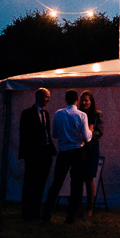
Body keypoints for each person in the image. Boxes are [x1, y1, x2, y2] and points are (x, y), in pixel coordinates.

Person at [43, 89, 92, 224]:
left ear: (65, 99)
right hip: (77, 151)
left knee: (56, 183)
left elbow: (54, 134)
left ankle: (46, 213)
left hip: (63, 152)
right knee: (76, 185)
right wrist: (91, 132)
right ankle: (70, 217)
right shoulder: (82, 115)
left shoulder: (59, 114)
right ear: (77, 99)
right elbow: (86, 137)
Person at [19, 88, 57, 220]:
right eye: (46, 97)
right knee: (30, 182)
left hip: (45, 154)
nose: (48, 99)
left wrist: (51, 149)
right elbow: (24, 135)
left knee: (40, 183)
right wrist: (28, 152)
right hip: (33, 153)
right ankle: (26, 211)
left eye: (49, 97)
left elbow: (47, 133)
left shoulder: (46, 114)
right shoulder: (27, 113)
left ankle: (35, 210)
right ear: (39, 97)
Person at [78, 90, 104, 218]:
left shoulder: (97, 114)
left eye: (86, 100)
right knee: (78, 178)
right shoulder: (78, 114)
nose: (84, 103)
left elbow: (100, 132)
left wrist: (90, 133)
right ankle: (77, 208)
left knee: (89, 179)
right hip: (79, 148)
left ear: (91, 101)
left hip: (91, 148)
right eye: (82, 100)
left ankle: (90, 208)